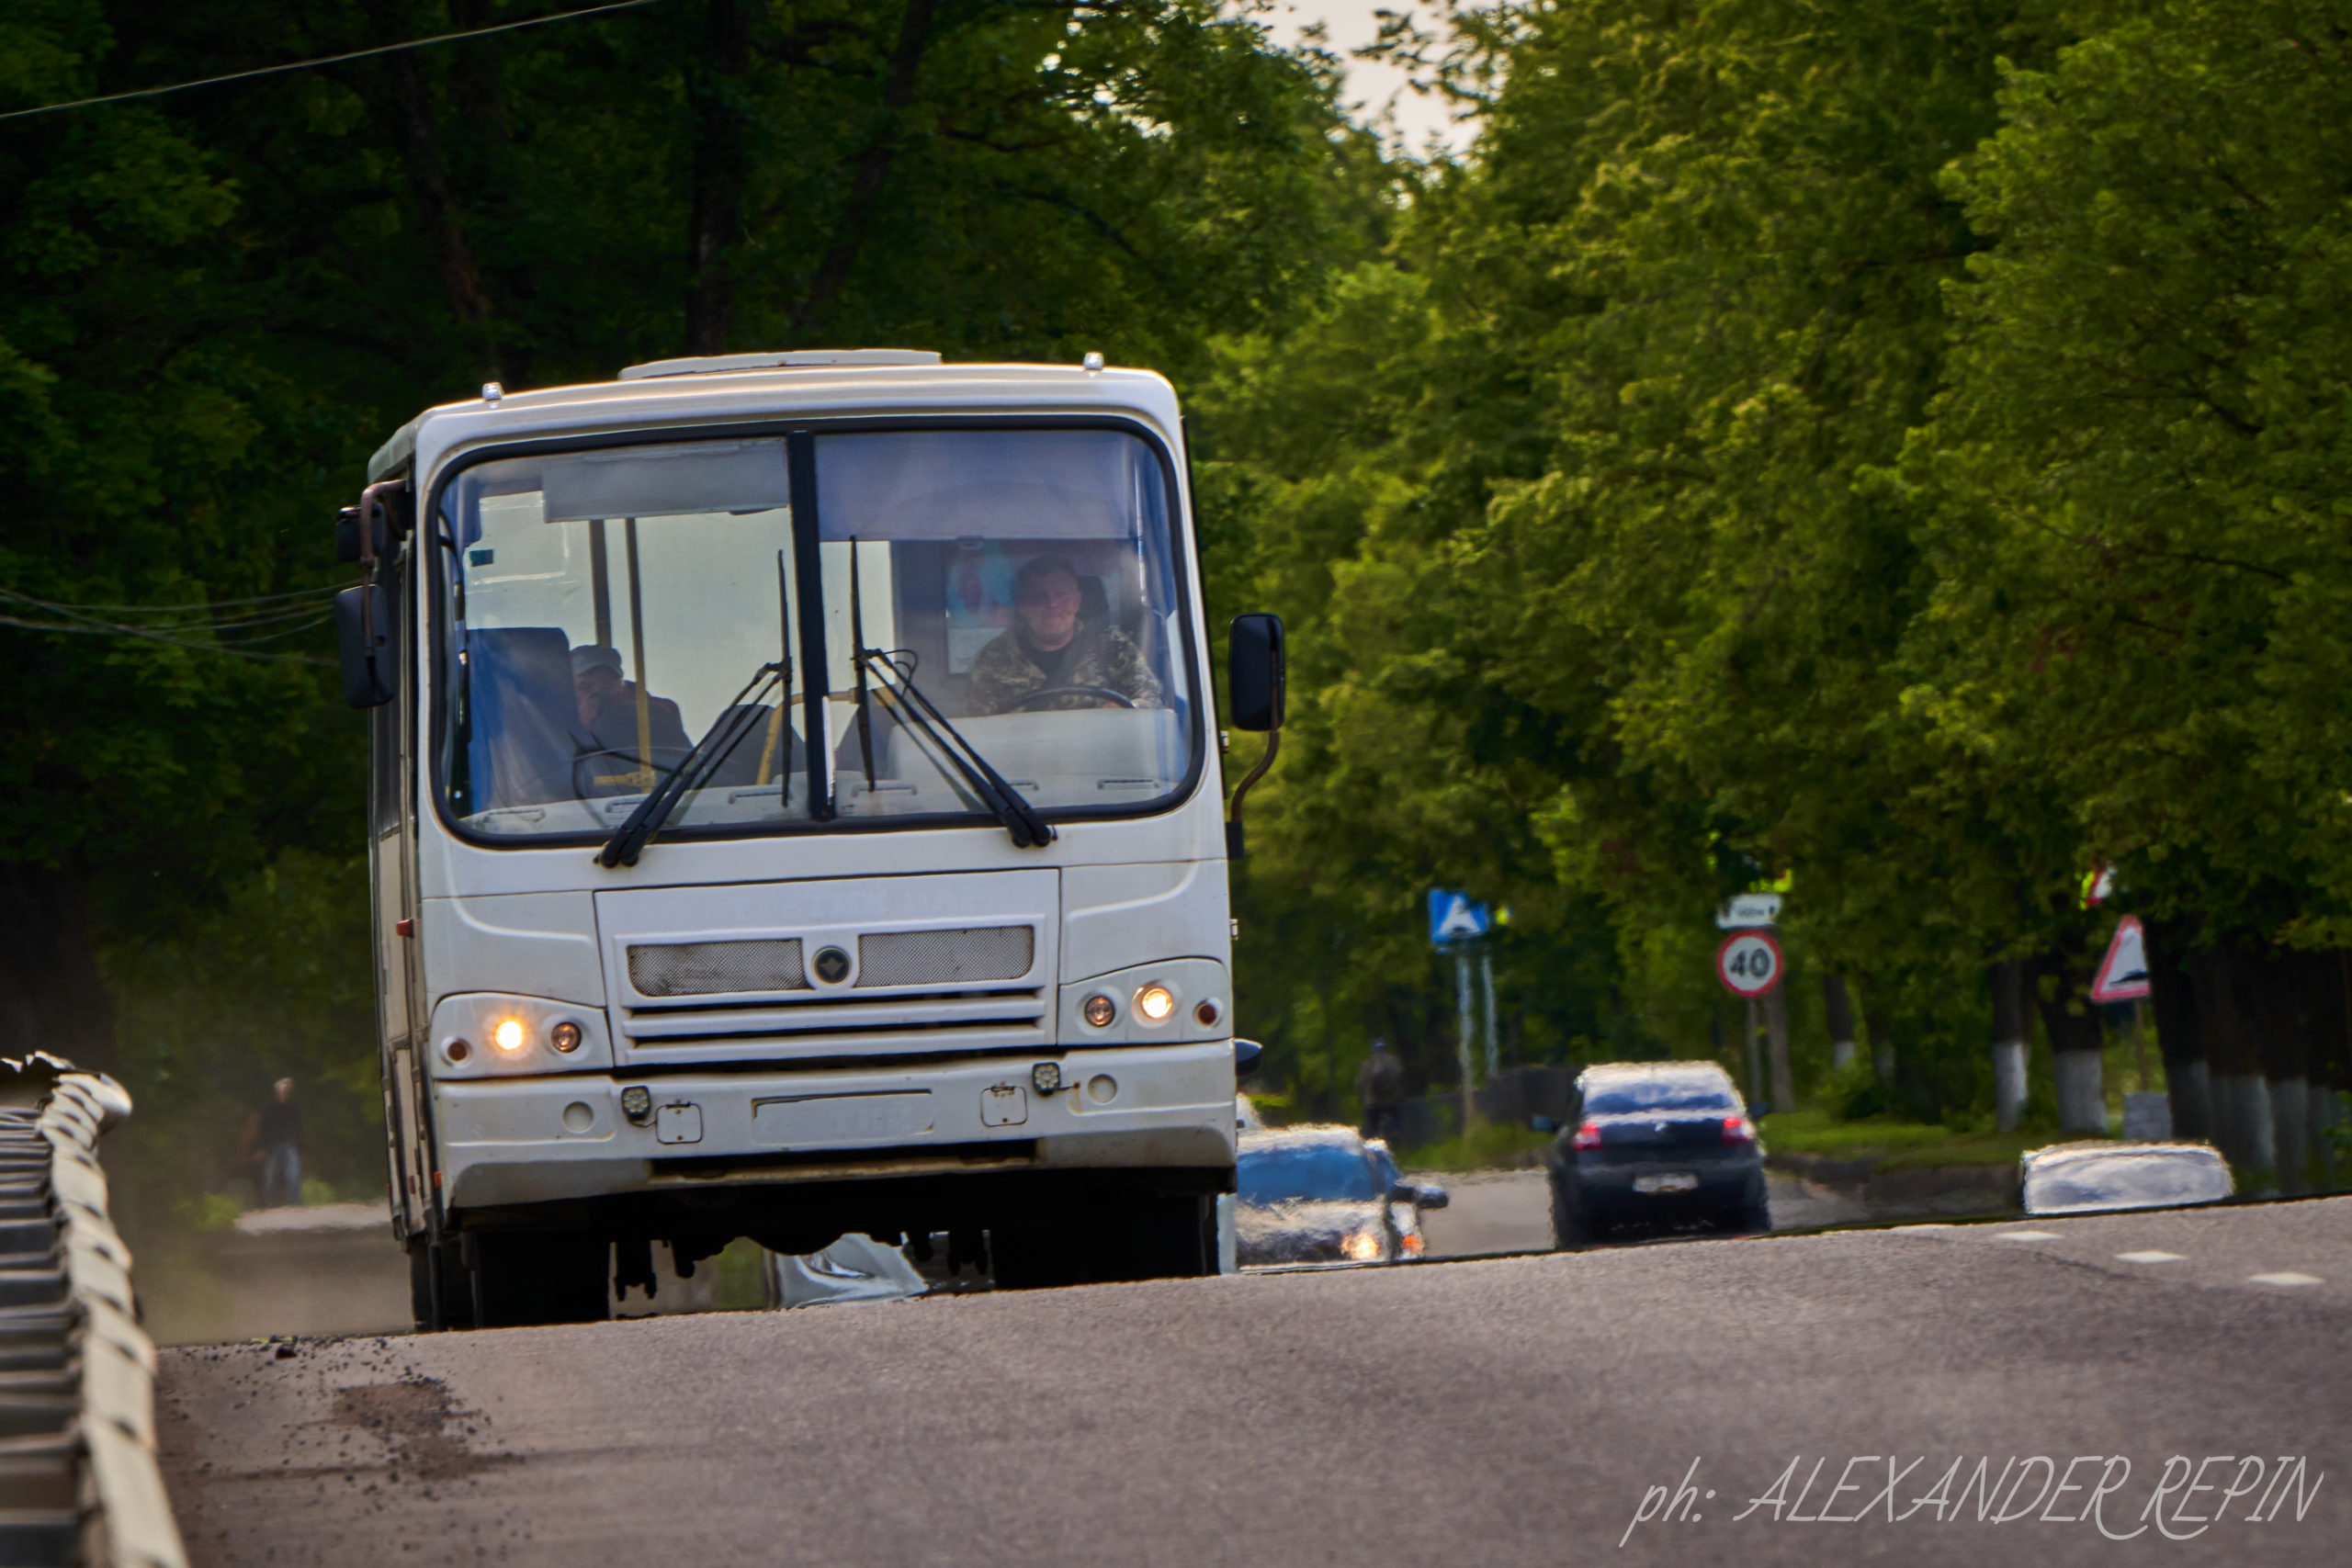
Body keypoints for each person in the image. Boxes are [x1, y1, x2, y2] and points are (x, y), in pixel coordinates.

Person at [964, 556, 1163, 716]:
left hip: (1101, 760)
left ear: (1077, 601)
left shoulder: (1113, 646)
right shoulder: (995, 658)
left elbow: (1152, 700)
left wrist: (1126, 711)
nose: (1051, 604)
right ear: (1021, 606)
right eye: (1037, 597)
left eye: (1061, 594)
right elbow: (975, 723)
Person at [571, 644, 691, 774]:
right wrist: (583, 724)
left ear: (623, 685)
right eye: (584, 688)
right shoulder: (559, 723)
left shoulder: (653, 710)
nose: (598, 695)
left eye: (608, 687)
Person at [250, 1077, 303, 1210]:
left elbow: (298, 1129)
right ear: (277, 1092)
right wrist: (261, 1147)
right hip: (272, 1146)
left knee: (293, 1175)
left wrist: (301, 1146)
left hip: (289, 1145)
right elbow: (263, 1129)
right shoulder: (269, 1107)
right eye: (281, 1091)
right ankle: (271, 1205)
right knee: (270, 1176)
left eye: (286, 1091)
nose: (283, 1093)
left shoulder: (293, 1108)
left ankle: (293, 1204)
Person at [1356, 1038, 1406, 1142]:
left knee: (1371, 1129)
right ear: (1385, 1048)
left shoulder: (1366, 1065)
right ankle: (1398, 1135)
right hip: (1390, 1101)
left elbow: (1360, 1083)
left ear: (1373, 1049)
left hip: (1372, 1102)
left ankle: (1370, 1144)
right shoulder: (1393, 1061)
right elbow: (1400, 1077)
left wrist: (1362, 1098)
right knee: (1397, 1119)